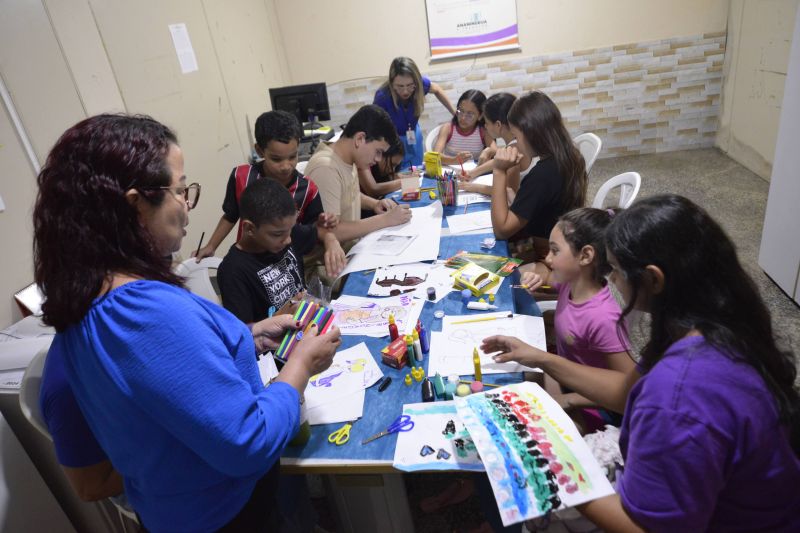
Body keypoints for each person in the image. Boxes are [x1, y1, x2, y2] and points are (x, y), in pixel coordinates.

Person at [33, 114, 341, 532]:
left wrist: (247, 335)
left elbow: (160, 378)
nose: (187, 204)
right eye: (180, 189)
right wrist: (300, 365)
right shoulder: (146, 314)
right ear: (136, 204)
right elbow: (248, 442)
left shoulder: (88, 299)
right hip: (227, 517)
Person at [484, 195, 800, 531]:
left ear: (653, 279)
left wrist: (553, 468)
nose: (613, 280)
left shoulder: (677, 394)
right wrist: (541, 358)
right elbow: (626, 388)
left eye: (616, 270)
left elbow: (646, 527)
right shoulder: (720, 321)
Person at [497, 208, 635, 433]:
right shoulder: (572, 283)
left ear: (586, 256)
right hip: (564, 379)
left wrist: (569, 399)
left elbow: (628, 390)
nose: (548, 258)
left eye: (554, 251)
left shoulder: (603, 318)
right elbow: (548, 281)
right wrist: (535, 279)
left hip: (594, 406)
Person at [194, 110, 344, 277]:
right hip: (249, 264)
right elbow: (230, 215)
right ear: (260, 151)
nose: (286, 166)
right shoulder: (241, 177)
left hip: (286, 268)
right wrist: (211, 246)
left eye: (292, 157)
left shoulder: (308, 190)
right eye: (276, 159)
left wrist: (327, 230)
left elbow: (316, 231)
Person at [490, 91, 587, 269]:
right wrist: (519, 199)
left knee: (487, 258)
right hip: (563, 242)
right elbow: (545, 204)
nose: (516, 144)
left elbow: (501, 230)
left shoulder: (542, 174)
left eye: (516, 137)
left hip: (545, 255)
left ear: (531, 134)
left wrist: (498, 171)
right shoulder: (570, 155)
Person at [217, 178, 323, 324]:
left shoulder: (284, 233)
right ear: (249, 228)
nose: (288, 240)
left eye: (290, 230)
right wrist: (280, 315)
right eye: (277, 235)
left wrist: (331, 240)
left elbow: (321, 232)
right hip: (275, 342)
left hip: (304, 323)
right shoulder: (233, 270)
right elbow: (242, 333)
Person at [304, 104, 412, 245]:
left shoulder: (349, 158)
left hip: (352, 249)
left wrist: (375, 204)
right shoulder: (326, 168)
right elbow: (330, 232)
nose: (378, 159)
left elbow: (348, 194)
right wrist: (386, 220)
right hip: (332, 263)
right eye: (378, 151)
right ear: (360, 139)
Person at [373, 56, 456, 168]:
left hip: (413, 134)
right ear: (392, 83)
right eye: (400, 86)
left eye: (409, 85)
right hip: (393, 141)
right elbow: (376, 128)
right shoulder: (382, 97)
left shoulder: (419, 84)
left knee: (418, 170)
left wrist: (455, 113)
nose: (405, 91)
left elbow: (437, 89)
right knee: (402, 173)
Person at [460, 92, 535, 199]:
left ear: (498, 125)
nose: (485, 126)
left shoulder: (514, 150)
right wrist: (473, 172)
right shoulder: (517, 141)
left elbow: (508, 192)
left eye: (486, 122)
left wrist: (471, 187)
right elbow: (497, 161)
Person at [433, 89, 492, 166]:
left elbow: (494, 149)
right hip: (450, 172)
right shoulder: (448, 128)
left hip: (475, 173)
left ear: (480, 116)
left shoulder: (483, 130)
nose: (463, 118)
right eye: (461, 111)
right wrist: (453, 160)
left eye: (470, 114)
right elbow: (435, 155)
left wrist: (488, 151)